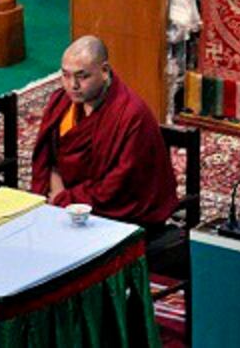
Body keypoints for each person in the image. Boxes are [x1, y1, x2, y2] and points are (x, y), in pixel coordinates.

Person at [30, 36, 178, 227]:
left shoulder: (130, 114)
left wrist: (64, 199)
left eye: (82, 76)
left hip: (113, 213)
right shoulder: (61, 102)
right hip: (63, 201)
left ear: (105, 71)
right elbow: (46, 157)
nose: (72, 85)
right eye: (65, 75)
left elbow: (119, 184)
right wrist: (53, 188)